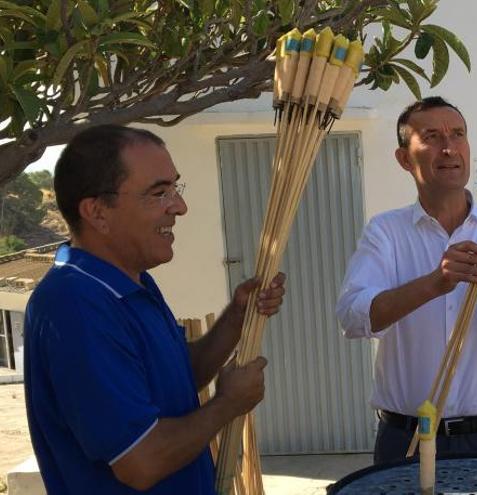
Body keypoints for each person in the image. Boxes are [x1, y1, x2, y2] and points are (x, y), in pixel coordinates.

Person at [24, 125, 286, 494]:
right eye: (159, 193)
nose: (179, 206)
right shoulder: (75, 304)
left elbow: (178, 378)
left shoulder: (132, 283)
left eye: (175, 189)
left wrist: (237, 318)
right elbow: (140, 462)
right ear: (98, 212)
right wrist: (227, 404)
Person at [336, 96, 477, 464]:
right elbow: (353, 317)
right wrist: (435, 283)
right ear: (405, 158)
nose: (449, 147)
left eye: (458, 134)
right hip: (406, 438)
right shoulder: (385, 232)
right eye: (432, 136)